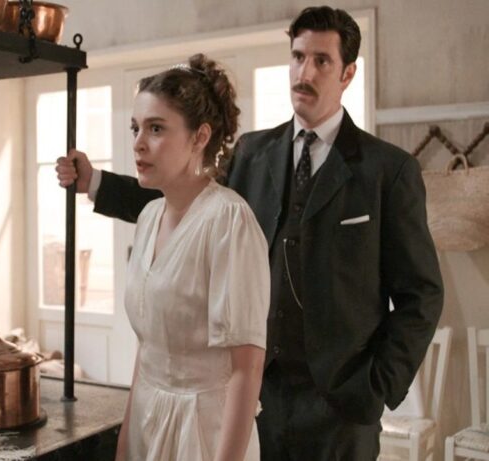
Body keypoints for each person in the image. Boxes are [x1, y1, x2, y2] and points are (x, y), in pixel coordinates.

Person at [56, 6, 443, 461]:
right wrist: (97, 183)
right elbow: (188, 202)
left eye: (321, 60)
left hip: (341, 407)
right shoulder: (253, 152)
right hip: (255, 399)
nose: (305, 72)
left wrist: (376, 385)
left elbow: (422, 295)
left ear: (348, 73)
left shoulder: (387, 170)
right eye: (298, 56)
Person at [88, 54, 269, 461]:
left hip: (205, 433)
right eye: (135, 128)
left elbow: (247, 369)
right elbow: (148, 348)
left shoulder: (228, 221)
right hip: (148, 421)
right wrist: (126, 443)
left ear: (200, 137)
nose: (138, 143)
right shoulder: (149, 217)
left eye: (156, 128)